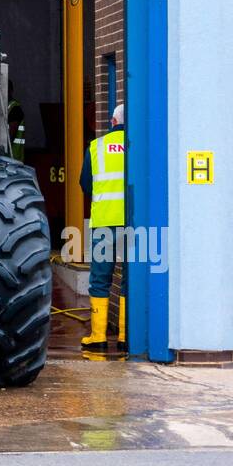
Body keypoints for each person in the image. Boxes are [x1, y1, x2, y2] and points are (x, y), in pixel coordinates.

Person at [79, 102, 126, 349]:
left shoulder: (96, 147)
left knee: (100, 278)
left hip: (104, 223)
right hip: (133, 224)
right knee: (129, 277)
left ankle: (98, 337)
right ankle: (125, 337)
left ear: (113, 121)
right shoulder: (137, 145)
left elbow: (85, 183)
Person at [7, 80, 26, 162]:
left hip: (13, 158)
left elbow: (10, 135)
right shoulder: (6, 107)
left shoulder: (15, 109)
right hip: (9, 159)